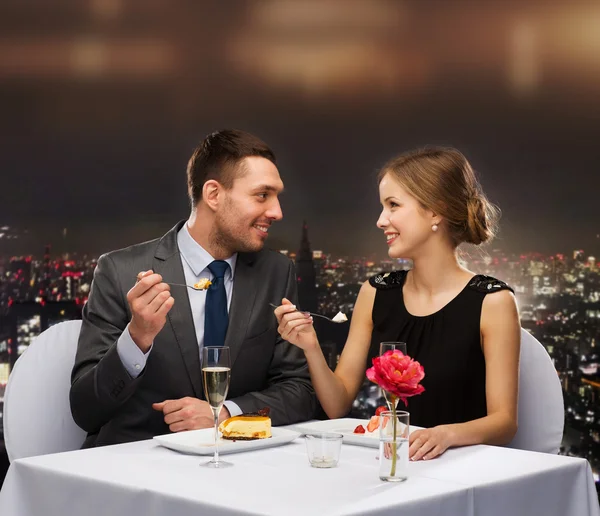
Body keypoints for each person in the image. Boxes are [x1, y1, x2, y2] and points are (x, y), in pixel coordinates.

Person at [70, 129, 316, 447]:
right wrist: (137, 338)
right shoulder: (120, 271)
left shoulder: (276, 272)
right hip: (138, 470)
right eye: (262, 195)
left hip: (239, 469)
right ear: (213, 194)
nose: (277, 212)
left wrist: (227, 414)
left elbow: (299, 391)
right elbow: (85, 410)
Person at [275, 147, 520, 461]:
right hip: (388, 465)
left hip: (460, 469)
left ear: (435, 211)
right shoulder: (375, 292)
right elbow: (337, 405)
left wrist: (446, 434)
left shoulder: (493, 302)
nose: (380, 220)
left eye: (393, 205)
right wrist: (309, 346)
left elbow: (504, 422)